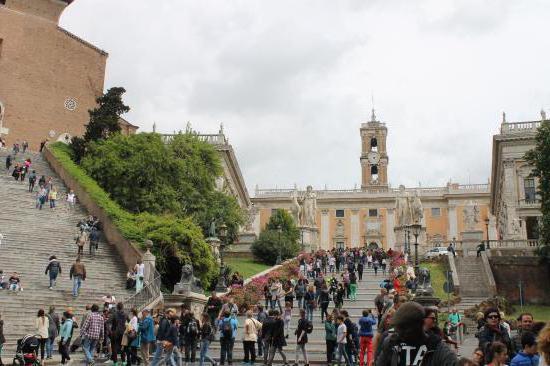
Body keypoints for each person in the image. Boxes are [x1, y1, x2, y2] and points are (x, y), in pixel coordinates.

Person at [375, 301, 458, 366]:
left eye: (402, 326)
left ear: (418, 324)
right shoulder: (391, 343)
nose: (398, 330)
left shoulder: (435, 346)